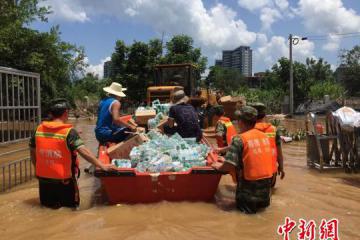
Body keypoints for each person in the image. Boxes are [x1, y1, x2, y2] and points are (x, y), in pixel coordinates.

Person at [30, 99, 115, 209]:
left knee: (47, 209)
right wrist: (102, 165)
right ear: (65, 113)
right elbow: (84, 151)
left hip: (43, 181)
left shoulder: (38, 129)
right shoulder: (69, 132)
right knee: (69, 211)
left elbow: (32, 151)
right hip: (64, 182)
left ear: (51, 114)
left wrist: (36, 168)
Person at [212, 106, 273, 214]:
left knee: (245, 218)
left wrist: (218, 166)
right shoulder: (265, 136)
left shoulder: (239, 139)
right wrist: (224, 156)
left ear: (241, 122)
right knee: (262, 214)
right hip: (266, 189)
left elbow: (229, 166)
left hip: (248, 191)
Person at [249, 102, 285, 187]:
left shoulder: (247, 130)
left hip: (253, 174)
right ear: (264, 115)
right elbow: (279, 152)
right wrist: (281, 168)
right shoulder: (274, 130)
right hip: (271, 173)